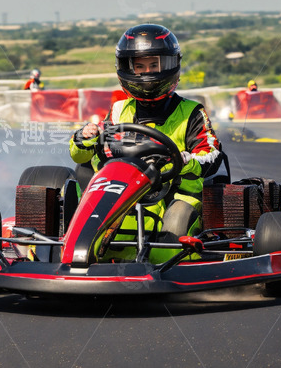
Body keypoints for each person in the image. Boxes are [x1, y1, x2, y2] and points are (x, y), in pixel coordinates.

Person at [69, 24, 223, 263]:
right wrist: (85, 138)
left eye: (153, 65)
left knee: (175, 224)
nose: (146, 73)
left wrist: (186, 159)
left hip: (174, 192)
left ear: (169, 65)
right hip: (124, 189)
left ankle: (167, 265)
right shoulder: (119, 110)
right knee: (82, 187)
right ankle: (74, 251)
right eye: (139, 67)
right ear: (127, 68)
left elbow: (212, 155)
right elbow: (83, 156)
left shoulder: (191, 112)